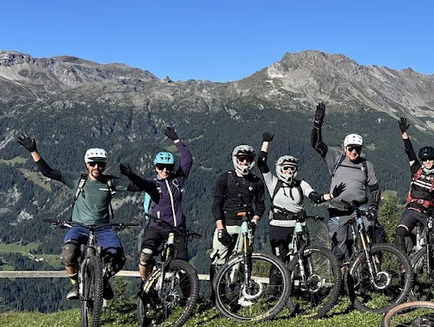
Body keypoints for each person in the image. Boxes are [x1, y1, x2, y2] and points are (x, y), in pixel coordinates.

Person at [17, 135, 124, 301]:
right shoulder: (77, 180)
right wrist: (33, 151)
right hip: (79, 227)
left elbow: (138, 186)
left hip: (103, 228)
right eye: (92, 164)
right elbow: (48, 172)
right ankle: (75, 284)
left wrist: (159, 182)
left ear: (104, 165)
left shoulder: (110, 182)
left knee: (118, 257)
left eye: (100, 164)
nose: (96, 167)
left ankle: (102, 280)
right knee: (68, 253)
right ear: (87, 164)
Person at [118, 126, 193, 283]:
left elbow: (187, 159)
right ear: (155, 168)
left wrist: (177, 140)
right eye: (161, 167)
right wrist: (131, 175)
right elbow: (142, 183)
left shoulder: (178, 180)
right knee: (146, 254)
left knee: (184, 268)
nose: (165, 170)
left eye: (169, 167)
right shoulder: (154, 185)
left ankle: (189, 296)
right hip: (156, 228)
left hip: (177, 229)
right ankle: (145, 284)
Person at [311, 101, 383, 259]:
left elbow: (375, 190)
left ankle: (375, 267)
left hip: (360, 209)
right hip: (337, 210)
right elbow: (316, 144)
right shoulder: (336, 159)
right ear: (345, 148)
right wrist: (317, 124)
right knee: (339, 251)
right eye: (350, 148)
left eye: (357, 149)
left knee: (375, 234)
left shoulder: (366, 165)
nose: (354, 152)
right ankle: (341, 274)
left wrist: (373, 207)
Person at [257, 132, 340, 260]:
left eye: (292, 169)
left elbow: (315, 197)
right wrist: (266, 143)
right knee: (279, 261)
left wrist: (331, 195)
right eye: (286, 168)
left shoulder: (301, 184)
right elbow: (261, 164)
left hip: (298, 226)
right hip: (278, 226)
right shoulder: (273, 183)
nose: (289, 172)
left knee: (304, 258)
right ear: (280, 169)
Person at [395, 117, 434, 253]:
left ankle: (430, 263)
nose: (428, 162)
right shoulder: (416, 169)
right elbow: (409, 152)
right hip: (412, 209)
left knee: (431, 241)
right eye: (425, 159)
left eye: (430, 159)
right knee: (400, 232)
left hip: (427, 213)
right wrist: (404, 134)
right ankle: (404, 262)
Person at [211, 143, 265, 271]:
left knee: (245, 260)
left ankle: (243, 282)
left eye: (248, 159)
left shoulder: (257, 182)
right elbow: (217, 203)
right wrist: (220, 227)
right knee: (218, 260)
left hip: (246, 225)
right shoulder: (224, 178)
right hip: (226, 223)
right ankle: (216, 283)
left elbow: (260, 204)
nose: (245, 162)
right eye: (242, 159)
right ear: (236, 160)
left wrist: (255, 220)